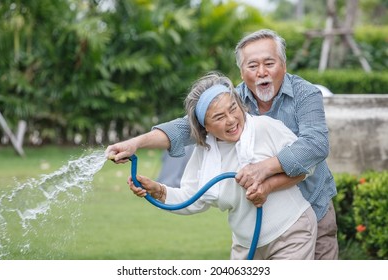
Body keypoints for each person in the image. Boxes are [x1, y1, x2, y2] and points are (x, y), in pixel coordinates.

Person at [105, 29, 338, 260]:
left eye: (269, 63)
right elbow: (187, 128)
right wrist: (136, 143)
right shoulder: (231, 100)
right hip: (253, 233)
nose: (262, 72)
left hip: (311, 208)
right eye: (252, 66)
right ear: (241, 71)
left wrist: (264, 172)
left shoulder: (303, 95)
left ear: (284, 65)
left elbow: (315, 145)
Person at [126, 72, 317, 260]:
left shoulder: (265, 127)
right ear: (205, 127)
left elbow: (306, 165)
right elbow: (191, 198)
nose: (231, 120)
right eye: (219, 117)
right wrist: (158, 191)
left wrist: (267, 186)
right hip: (246, 244)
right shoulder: (205, 151)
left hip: (291, 233)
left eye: (233, 108)